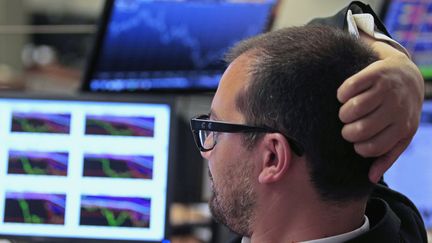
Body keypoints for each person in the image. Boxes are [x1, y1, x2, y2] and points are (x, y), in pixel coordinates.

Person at [189, 25, 427, 243]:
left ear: (272, 156)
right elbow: (334, 30)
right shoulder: (399, 221)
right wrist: (398, 60)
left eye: (216, 129)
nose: (207, 149)